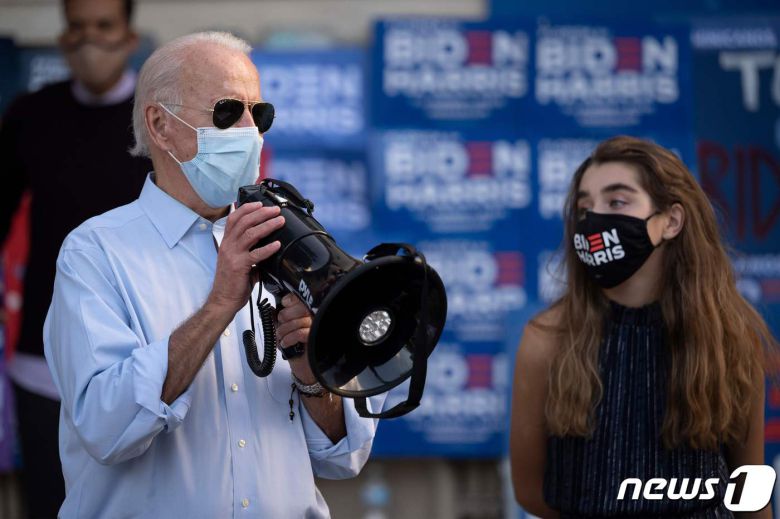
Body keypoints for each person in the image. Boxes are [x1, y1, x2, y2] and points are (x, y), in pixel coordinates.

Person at [43, 31, 383, 518]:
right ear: (160, 125)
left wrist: (313, 376)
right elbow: (106, 428)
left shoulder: (286, 239)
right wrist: (220, 303)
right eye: (227, 111)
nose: (250, 130)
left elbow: (344, 455)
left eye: (258, 114)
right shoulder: (95, 252)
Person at [509, 136, 776, 518]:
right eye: (585, 208)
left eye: (617, 201)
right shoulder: (546, 340)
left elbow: (748, 490)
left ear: (671, 221)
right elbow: (530, 491)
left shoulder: (729, 337)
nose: (595, 219)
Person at [0, 0, 148, 516]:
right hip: (44, 357)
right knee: (48, 498)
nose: (89, 41)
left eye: (104, 26)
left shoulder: (157, 123)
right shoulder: (30, 115)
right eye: (77, 27)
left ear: (130, 36)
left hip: (141, 353)